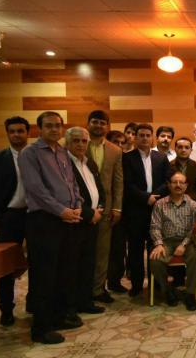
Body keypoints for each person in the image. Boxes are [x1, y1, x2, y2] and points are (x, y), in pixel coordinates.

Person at [18, 111, 83, 344]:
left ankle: (57, 317)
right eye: (49, 126)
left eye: (58, 125)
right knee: (44, 276)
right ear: (39, 128)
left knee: (63, 273)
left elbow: (72, 183)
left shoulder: (63, 152)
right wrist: (61, 211)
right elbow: (36, 189)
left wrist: (77, 205)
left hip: (67, 219)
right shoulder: (30, 153)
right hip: (44, 221)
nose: (54, 129)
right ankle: (41, 328)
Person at [0, 116, 30, 326]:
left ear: (27, 132)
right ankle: (6, 309)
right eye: (12, 131)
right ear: (7, 133)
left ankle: (35, 304)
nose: (16, 135)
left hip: (35, 215)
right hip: (10, 217)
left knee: (39, 262)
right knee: (7, 266)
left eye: (20, 130)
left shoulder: (36, 156)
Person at [122, 123, 171, 297]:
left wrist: (154, 197)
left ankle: (155, 283)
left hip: (156, 209)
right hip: (135, 210)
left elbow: (167, 181)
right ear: (135, 137)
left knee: (155, 246)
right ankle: (136, 285)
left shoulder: (161, 157)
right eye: (141, 135)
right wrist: (145, 197)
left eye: (147, 135)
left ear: (152, 138)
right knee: (135, 249)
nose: (144, 138)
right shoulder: (127, 158)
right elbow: (127, 184)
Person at [65, 127, 106, 315]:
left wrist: (100, 209)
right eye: (76, 141)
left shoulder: (90, 164)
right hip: (75, 221)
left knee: (88, 263)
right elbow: (68, 196)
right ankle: (71, 306)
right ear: (67, 143)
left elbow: (100, 190)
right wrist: (90, 214)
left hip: (93, 221)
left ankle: (85, 301)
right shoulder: (64, 164)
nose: (80, 144)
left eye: (84, 141)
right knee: (72, 266)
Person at [85, 110, 124, 302]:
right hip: (81, 208)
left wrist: (117, 207)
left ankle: (98, 289)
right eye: (95, 122)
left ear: (107, 126)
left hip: (106, 208)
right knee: (81, 251)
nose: (99, 126)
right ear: (88, 124)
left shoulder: (115, 150)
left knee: (102, 252)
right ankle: (81, 290)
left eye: (102, 123)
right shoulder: (77, 144)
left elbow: (118, 181)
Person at [149, 172, 196, 311]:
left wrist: (183, 244)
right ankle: (167, 290)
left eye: (181, 182)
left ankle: (190, 294)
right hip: (166, 241)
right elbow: (155, 226)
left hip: (188, 241)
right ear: (169, 185)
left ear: (186, 185)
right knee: (155, 260)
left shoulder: (194, 205)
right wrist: (159, 244)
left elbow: (194, 229)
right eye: (174, 182)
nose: (178, 185)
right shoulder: (160, 204)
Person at [170, 137, 196, 202]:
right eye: (180, 147)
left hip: (193, 201)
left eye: (187, 147)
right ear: (175, 149)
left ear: (191, 150)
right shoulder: (168, 166)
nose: (183, 150)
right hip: (173, 201)